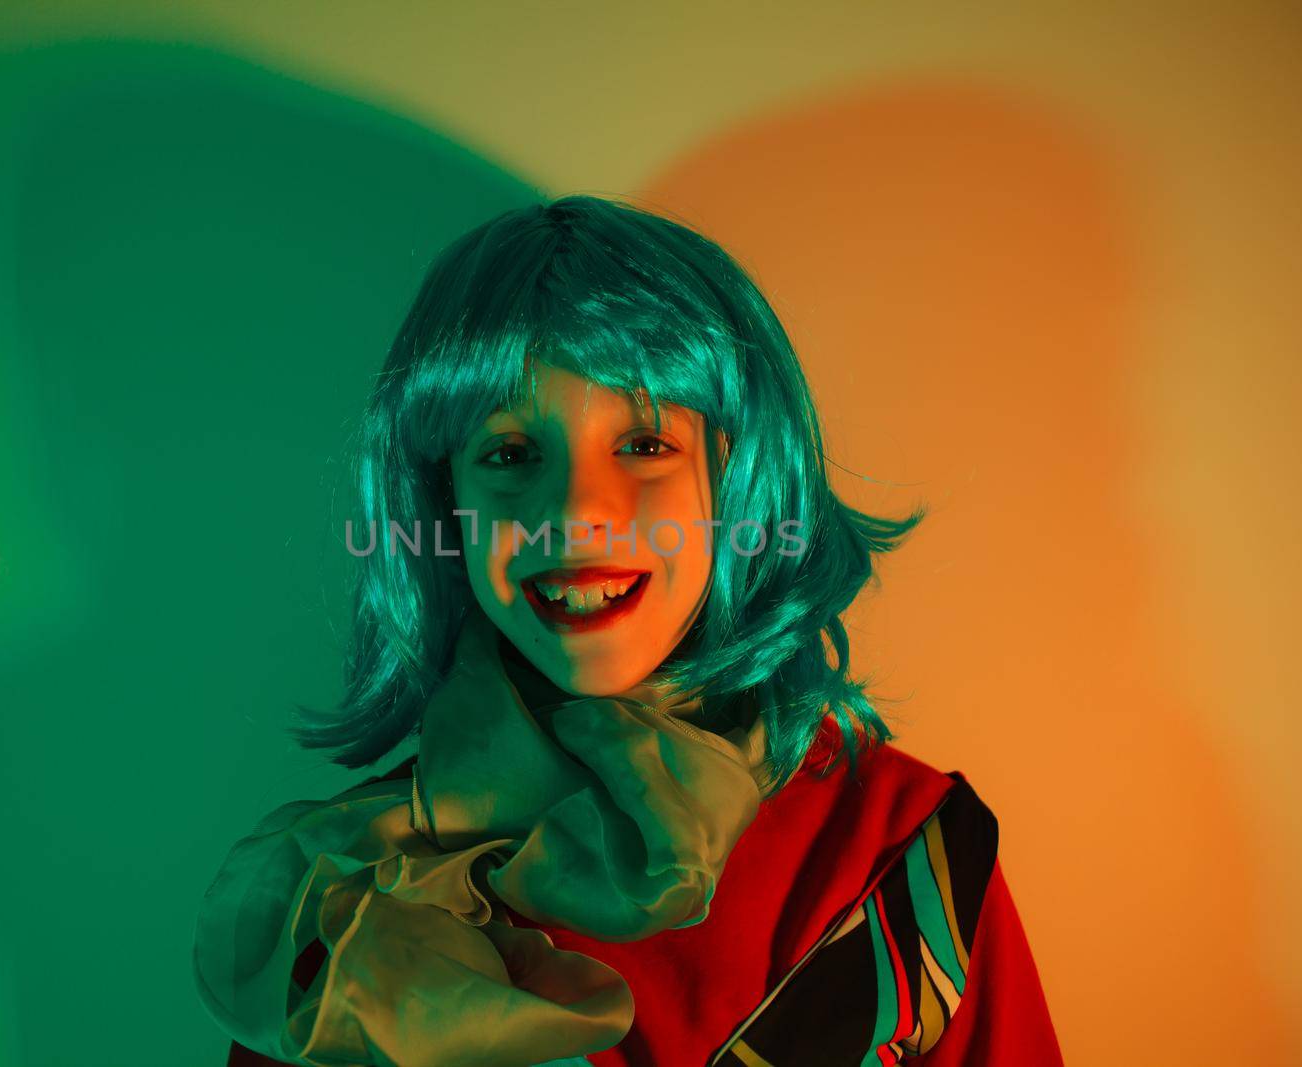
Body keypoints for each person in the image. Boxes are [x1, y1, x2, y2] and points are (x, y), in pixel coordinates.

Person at [192, 195, 1064, 1066]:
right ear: (443, 505)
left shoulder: (898, 851)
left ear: (738, 481)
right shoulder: (346, 902)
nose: (575, 516)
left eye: (645, 444)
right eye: (508, 452)